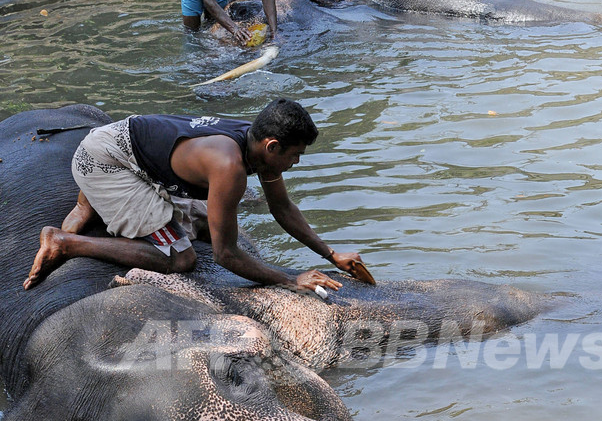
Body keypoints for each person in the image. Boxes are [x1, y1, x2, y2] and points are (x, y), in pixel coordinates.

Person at [23, 99, 365, 295]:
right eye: (296, 155)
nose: (297, 162)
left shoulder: (255, 140)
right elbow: (225, 255)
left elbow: (282, 208)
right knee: (181, 257)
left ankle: (89, 206)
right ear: (273, 146)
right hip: (107, 159)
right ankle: (64, 241)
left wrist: (331, 254)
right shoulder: (229, 167)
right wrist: (291, 279)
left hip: (118, 141)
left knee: (198, 217)